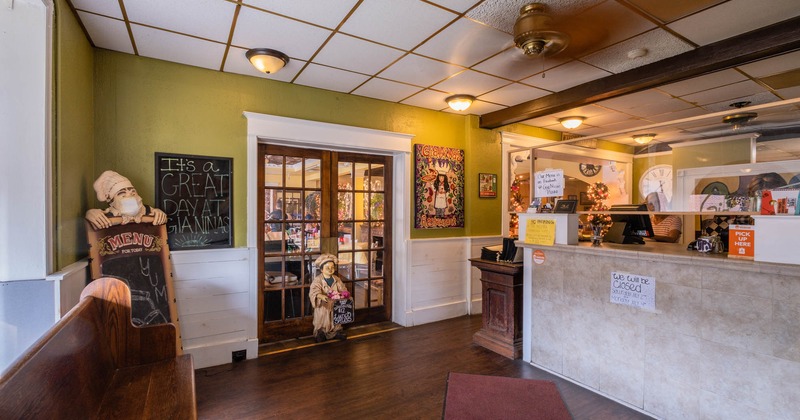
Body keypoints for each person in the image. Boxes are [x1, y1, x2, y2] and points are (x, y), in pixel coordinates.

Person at [85, 170, 167, 230]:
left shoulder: (145, 210)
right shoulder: (106, 214)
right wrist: (90, 213)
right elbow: (93, 219)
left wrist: (158, 212)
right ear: (111, 200)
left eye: (133, 193)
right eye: (122, 194)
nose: (130, 197)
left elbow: (159, 216)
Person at [308, 254, 349, 343]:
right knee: (322, 319)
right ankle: (321, 332)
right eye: (327, 268)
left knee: (336, 317)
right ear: (321, 269)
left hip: (335, 304)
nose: (330, 269)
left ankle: (336, 331)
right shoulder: (318, 280)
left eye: (332, 267)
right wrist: (320, 296)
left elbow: (343, 288)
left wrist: (343, 294)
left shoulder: (336, 279)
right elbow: (314, 291)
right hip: (323, 306)